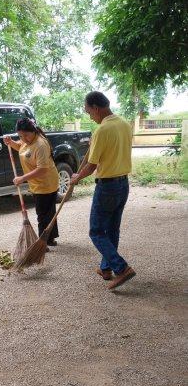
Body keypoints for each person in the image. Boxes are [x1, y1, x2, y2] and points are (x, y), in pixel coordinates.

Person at [70, 91, 136, 290]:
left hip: (107, 187)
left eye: (89, 112)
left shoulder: (102, 130)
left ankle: (121, 268)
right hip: (123, 184)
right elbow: (112, 151)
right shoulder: (124, 124)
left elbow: (90, 166)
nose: (90, 116)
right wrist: (95, 144)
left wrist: (76, 177)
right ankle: (105, 268)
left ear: (96, 108)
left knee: (96, 231)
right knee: (112, 229)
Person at [4, 118, 59, 247]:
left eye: (26, 135)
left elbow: (43, 169)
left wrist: (22, 178)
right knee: (48, 212)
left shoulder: (40, 144)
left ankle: (42, 244)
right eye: (20, 136)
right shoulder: (27, 141)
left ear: (33, 131)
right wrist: (11, 142)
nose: (23, 138)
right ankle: (49, 239)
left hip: (46, 183)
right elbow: (22, 149)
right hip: (36, 183)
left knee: (43, 214)